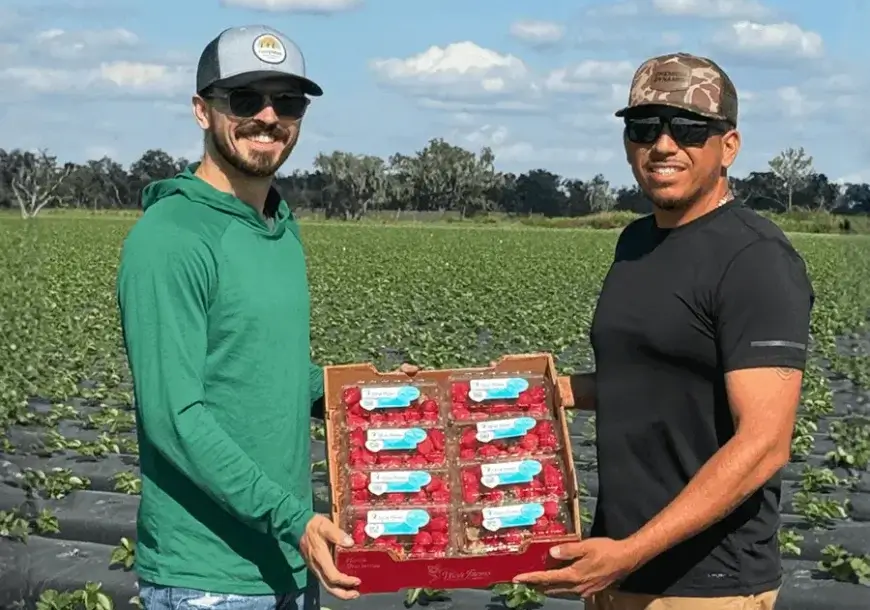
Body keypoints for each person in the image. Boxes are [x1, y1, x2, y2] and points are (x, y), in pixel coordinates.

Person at [517, 52, 815, 610]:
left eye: (689, 129)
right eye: (644, 127)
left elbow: (764, 445)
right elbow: (652, 380)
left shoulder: (755, 259)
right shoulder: (636, 243)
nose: (663, 144)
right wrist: (548, 392)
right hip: (615, 569)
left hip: (707, 585)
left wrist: (632, 551)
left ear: (729, 146)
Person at [117, 25, 364, 610]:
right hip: (208, 579)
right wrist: (292, 518)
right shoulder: (171, 238)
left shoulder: (278, 225)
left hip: (289, 562)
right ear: (203, 111)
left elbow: (266, 370)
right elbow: (174, 417)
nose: (268, 117)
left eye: (289, 101)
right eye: (246, 99)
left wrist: (361, 392)